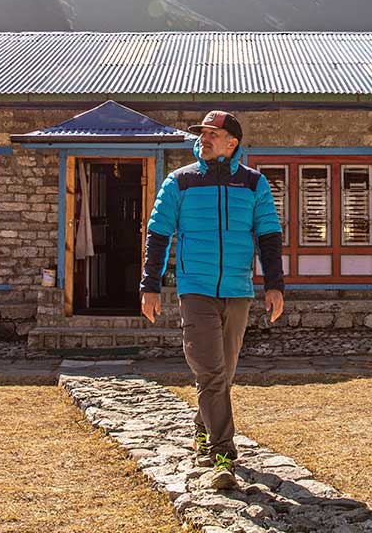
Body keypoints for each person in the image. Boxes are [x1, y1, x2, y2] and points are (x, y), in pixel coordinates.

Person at [139, 110, 284, 490]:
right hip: (196, 289)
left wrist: (274, 285)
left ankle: (202, 431)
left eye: (211, 133)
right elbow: (158, 234)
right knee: (210, 370)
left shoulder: (254, 184)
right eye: (201, 133)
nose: (203, 138)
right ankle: (221, 453)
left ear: (232, 142)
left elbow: (268, 234)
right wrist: (149, 285)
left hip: (237, 289)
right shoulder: (180, 182)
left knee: (224, 372)